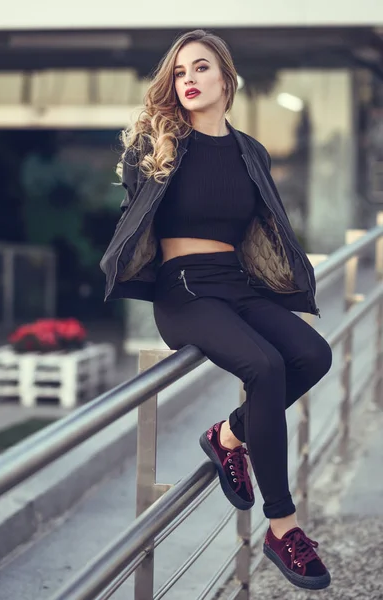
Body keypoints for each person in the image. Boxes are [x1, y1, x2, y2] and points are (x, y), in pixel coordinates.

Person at [100, 29, 332, 590]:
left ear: (227, 80)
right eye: (180, 73)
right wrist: (152, 150)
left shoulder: (251, 151)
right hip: (184, 290)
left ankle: (228, 436)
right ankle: (282, 526)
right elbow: (136, 216)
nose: (188, 81)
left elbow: (268, 224)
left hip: (236, 282)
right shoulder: (159, 143)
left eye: (200, 69)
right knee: (266, 366)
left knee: (311, 354)